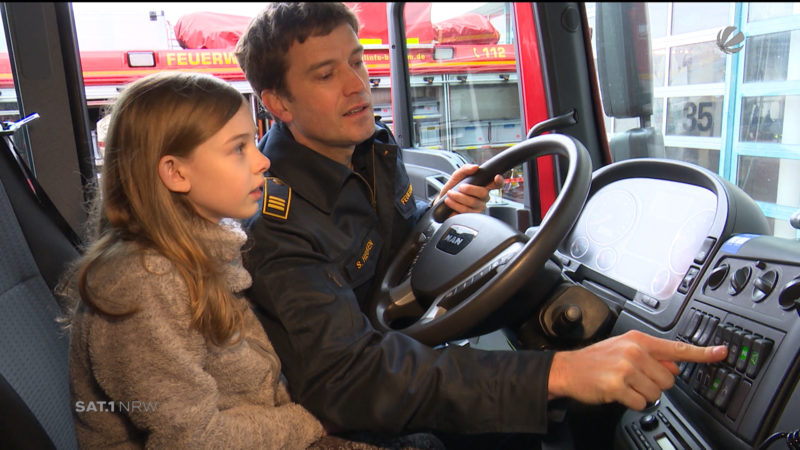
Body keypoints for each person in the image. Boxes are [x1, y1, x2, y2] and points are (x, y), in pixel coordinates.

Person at [235, 2, 728, 446]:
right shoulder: (273, 220)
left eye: (357, 61)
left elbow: (393, 254)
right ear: (278, 103)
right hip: (366, 395)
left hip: (404, 342)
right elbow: (348, 379)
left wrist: (441, 212)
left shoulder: (370, 149)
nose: (357, 84)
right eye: (326, 75)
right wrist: (557, 373)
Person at [62, 71, 431, 449]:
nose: (263, 161)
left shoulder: (206, 248)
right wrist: (313, 421)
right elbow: (193, 440)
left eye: (254, 141)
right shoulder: (143, 282)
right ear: (175, 172)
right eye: (238, 148)